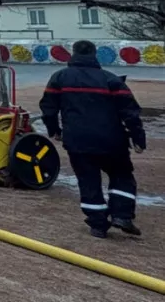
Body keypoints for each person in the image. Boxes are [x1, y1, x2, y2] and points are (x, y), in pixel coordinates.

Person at [40, 39, 146, 239]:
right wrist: (138, 139)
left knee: (88, 181)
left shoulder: (59, 78)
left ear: (73, 54)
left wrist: (54, 130)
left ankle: (98, 225)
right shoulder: (111, 80)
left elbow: (48, 107)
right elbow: (130, 112)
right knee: (122, 176)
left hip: (77, 142)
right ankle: (122, 216)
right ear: (94, 54)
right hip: (112, 141)